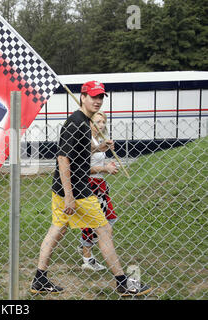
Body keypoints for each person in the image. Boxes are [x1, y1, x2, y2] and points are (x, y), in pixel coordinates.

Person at [30, 81, 152, 296]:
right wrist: (69, 196)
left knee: (57, 229)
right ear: (82, 97)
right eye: (93, 96)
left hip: (64, 188)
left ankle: (39, 279)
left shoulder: (84, 122)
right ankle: (122, 282)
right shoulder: (76, 122)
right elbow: (63, 158)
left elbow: (77, 152)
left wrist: (97, 147)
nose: (97, 101)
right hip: (75, 190)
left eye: (101, 97)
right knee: (104, 230)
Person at [79, 111, 119, 271]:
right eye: (97, 121)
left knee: (110, 219)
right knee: (93, 223)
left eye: (103, 122)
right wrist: (105, 168)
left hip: (100, 184)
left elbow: (96, 159)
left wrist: (107, 164)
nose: (101, 125)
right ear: (89, 122)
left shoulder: (98, 140)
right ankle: (87, 257)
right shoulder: (85, 139)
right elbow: (81, 167)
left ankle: (86, 247)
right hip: (90, 185)